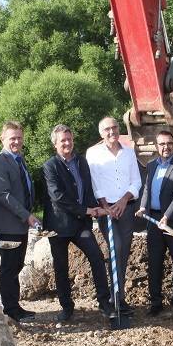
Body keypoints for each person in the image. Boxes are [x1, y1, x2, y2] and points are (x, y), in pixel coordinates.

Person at [41, 124, 113, 322]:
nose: (67, 143)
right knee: (61, 267)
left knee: (97, 258)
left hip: (81, 224)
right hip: (58, 226)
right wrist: (86, 210)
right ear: (55, 144)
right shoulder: (50, 166)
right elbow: (58, 196)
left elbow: (87, 188)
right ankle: (67, 307)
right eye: (62, 140)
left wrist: (94, 208)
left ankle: (105, 303)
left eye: (69, 139)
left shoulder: (81, 161)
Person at [136, 130, 173, 315]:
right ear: (156, 146)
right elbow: (147, 188)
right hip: (154, 220)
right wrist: (143, 206)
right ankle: (156, 303)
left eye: (169, 143)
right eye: (162, 144)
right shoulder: (152, 165)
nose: (165, 147)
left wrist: (167, 217)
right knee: (154, 262)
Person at [86, 116, 142, 314]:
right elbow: (94, 183)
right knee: (115, 249)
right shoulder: (93, 153)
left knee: (123, 251)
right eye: (107, 129)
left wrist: (123, 201)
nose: (112, 132)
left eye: (114, 128)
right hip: (105, 210)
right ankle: (113, 296)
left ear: (119, 129)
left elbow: (136, 181)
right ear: (101, 133)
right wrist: (106, 206)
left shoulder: (128, 153)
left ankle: (118, 297)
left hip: (126, 208)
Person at [0, 121, 40, 323]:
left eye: (19, 137)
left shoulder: (19, 159)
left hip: (19, 223)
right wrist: (26, 215)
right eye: (12, 138)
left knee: (16, 264)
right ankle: (10, 309)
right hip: (8, 224)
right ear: (2, 139)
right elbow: (4, 195)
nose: (16, 141)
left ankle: (14, 305)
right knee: (10, 266)